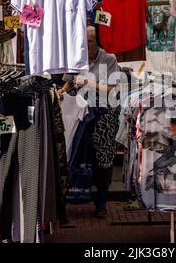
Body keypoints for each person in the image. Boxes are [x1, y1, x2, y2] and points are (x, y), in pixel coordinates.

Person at [58, 26, 121, 218]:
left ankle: (101, 201)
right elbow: (69, 82)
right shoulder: (77, 59)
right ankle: (74, 196)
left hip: (104, 115)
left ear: (97, 42)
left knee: (103, 160)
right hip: (81, 114)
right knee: (77, 155)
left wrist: (88, 83)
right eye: (83, 42)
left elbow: (112, 89)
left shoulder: (109, 59)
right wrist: (60, 92)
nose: (86, 45)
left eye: (90, 41)